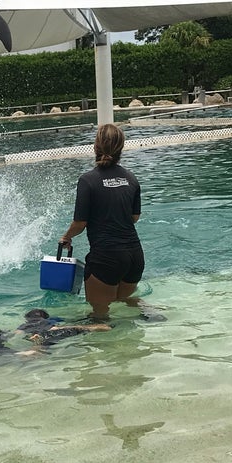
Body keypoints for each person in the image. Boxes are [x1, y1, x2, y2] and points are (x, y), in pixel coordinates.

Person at [59, 123, 144, 319]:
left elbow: (80, 223)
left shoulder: (88, 180)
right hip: (135, 257)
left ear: (95, 146)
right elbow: (134, 218)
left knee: (100, 317)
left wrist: (66, 237)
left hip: (106, 258)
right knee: (125, 310)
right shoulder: (131, 178)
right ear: (121, 148)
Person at [16, 308, 111, 346]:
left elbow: (18, 332)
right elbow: (68, 321)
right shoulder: (50, 319)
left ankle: (35, 343)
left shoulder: (25, 324)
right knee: (52, 330)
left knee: (38, 337)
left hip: (31, 329)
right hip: (50, 327)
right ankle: (95, 327)